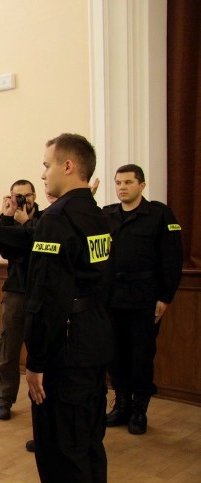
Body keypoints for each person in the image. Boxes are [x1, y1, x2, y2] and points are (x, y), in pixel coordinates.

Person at [25, 134, 112, 483]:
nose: (42, 173)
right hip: (94, 338)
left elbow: (46, 298)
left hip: (66, 345)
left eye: (46, 165)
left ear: (68, 166)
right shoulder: (96, 214)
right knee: (89, 435)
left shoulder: (58, 219)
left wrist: (36, 361)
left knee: (64, 442)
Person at [103, 164, 182, 435]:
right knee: (116, 356)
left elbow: (172, 259)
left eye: (128, 182)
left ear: (142, 185)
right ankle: (121, 405)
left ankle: (139, 411)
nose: (122, 187)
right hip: (113, 298)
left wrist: (165, 297)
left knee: (141, 356)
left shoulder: (159, 215)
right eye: (118, 183)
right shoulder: (108, 215)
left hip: (144, 299)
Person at [0, 180, 43, 421]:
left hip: (41, 292)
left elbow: (43, 247)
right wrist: (4, 218)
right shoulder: (8, 219)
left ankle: (41, 399)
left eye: (27, 196)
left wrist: (28, 223)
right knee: (8, 348)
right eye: (18, 196)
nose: (24, 200)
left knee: (41, 349)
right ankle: (4, 399)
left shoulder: (46, 219)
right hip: (16, 290)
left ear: (34, 196)